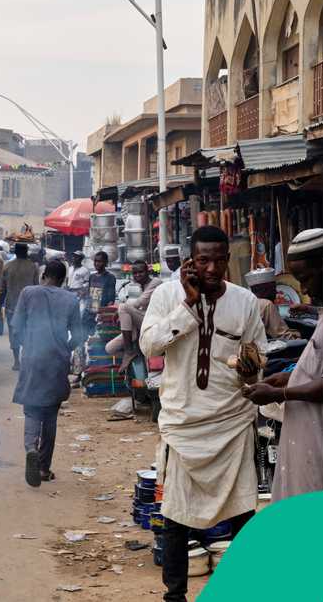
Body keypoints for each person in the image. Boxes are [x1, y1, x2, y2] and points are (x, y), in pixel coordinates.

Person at [139, 226, 266, 602]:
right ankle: (175, 596)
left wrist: (248, 365)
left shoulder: (244, 301)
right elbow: (150, 346)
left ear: (229, 259)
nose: (212, 267)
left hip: (232, 423)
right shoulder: (166, 295)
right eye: (203, 260)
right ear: (190, 263)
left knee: (244, 512)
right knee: (176, 517)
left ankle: (247, 588)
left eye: (219, 259)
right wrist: (188, 307)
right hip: (183, 426)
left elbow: (257, 355)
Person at [242, 228, 323, 501]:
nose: (303, 289)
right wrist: (287, 378)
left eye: (306, 278)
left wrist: (278, 393)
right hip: (309, 438)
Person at [11, 260, 83, 487]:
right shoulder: (70, 299)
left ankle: (30, 448)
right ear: (63, 279)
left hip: (33, 359)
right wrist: (65, 349)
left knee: (32, 410)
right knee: (50, 415)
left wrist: (27, 344)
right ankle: (43, 468)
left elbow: (16, 326)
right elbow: (79, 335)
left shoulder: (28, 293)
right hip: (57, 362)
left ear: (44, 275)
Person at [106, 259, 162, 368]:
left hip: (152, 324)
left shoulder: (156, 283)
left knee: (123, 308)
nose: (138, 275)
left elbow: (140, 302)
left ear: (148, 271)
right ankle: (136, 354)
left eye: (141, 272)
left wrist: (119, 313)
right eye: (135, 273)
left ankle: (129, 351)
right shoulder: (138, 287)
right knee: (109, 348)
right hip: (138, 326)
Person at [1, 242, 39, 371]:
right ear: (26, 252)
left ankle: (17, 361)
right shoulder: (33, 267)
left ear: (15, 252)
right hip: (29, 308)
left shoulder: (8, 267)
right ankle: (25, 359)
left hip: (12, 307)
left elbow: (2, 289)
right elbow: (36, 287)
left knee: (14, 334)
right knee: (28, 333)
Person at [244, 268, 300, 340]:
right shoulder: (266, 304)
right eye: (273, 288)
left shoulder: (247, 303)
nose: (276, 292)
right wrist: (298, 335)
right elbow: (283, 336)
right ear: (265, 290)